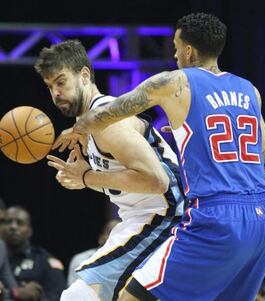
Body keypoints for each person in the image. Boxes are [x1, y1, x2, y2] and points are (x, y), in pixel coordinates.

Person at [73, 12, 265, 301]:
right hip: (263, 219)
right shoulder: (250, 91)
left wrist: (79, 128)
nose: (174, 53)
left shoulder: (175, 82)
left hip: (216, 217)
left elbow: (111, 111)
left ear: (189, 51)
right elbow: (261, 153)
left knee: (129, 298)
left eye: (175, 46)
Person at [34, 39, 185, 301]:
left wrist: (85, 177)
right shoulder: (92, 122)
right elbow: (129, 179)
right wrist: (86, 177)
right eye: (50, 87)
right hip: (147, 219)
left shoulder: (107, 121)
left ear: (84, 75)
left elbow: (156, 181)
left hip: (166, 217)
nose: (56, 93)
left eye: (61, 82)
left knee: (78, 297)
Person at [3, 206, 66, 301]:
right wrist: (16, 294)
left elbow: (58, 296)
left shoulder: (44, 260)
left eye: (20, 223)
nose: (13, 227)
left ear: (29, 231)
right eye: (8, 222)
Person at [66, 218, 120, 286]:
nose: (116, 238)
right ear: (101, 238)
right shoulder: (81, 261)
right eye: (110, 233)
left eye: (121, 234)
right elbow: (74, 293)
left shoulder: (131, 262)